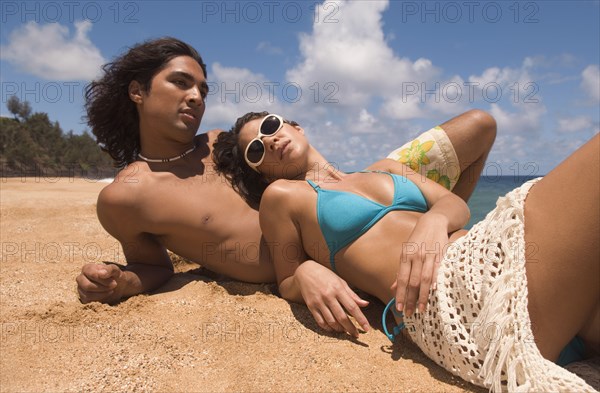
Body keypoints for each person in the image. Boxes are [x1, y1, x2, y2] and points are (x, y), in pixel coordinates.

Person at [76, 36, 498, 337]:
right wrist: (118, 283)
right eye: (180, 82)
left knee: (477, 128)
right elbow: (154, 268)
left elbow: (288, 159)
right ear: (137, 91)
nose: (196, 97)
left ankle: (437, 236)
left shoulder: (220, 141)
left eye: (202, 88)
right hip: (328, 246)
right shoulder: (125, 196)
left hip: (344, 200)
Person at [213, 111, 599, 391]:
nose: (270, 141)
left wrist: (431, 223)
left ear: (294, 126)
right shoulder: (283, 197)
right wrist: (306, 273)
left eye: (270, 126)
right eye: (256, 151)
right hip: (452, 299)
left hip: (494, 260)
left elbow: (456, 206)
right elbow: (287, 277)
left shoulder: (385, 168)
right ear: (262, 173)